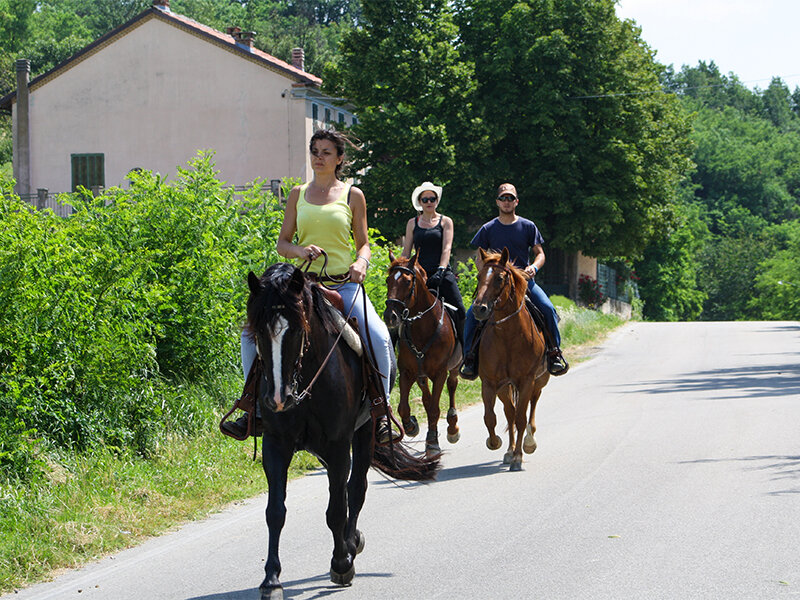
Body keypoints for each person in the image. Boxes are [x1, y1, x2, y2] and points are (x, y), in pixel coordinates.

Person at [222, 128, 397, 440]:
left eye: (326, 152)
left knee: (379, 337)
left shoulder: (352, 195)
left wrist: (361, 263)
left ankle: (381, 410)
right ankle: (253, 408)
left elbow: (364, 244)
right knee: (250, 337)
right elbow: (282, 244)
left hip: (343, 285)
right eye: (315, 151)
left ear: (340, 158)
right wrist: (300, 251)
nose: (319, 157)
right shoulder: (297, 194)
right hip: (301, 287)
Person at [459, 182, 569, 379]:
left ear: (516, 201)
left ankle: (554, 353)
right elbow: (479, 258)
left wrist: (533, 267)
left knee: (548, 309)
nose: (506, 201)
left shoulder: (528, 226)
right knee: (471, 315)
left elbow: (540, 254)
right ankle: (469, 358)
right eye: (503, 198)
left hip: (525, 283)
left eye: (510, 198)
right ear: (497, 202)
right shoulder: (487, 228)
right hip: (495, 287)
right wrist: (488, 278)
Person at [400, 181, 466, 351]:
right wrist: (400, 269)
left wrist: (441, 270)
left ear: (437, 201)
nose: (429, 202)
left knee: (460, 309)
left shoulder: (446, 221)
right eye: (425, 199)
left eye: (432, 198)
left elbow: (447, 248)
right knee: (397, 306)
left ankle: (467, 355)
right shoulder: (412, 223)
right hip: (418, 275)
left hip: (441, 273)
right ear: (420, 202)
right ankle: (394, 351)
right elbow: (406, 251)